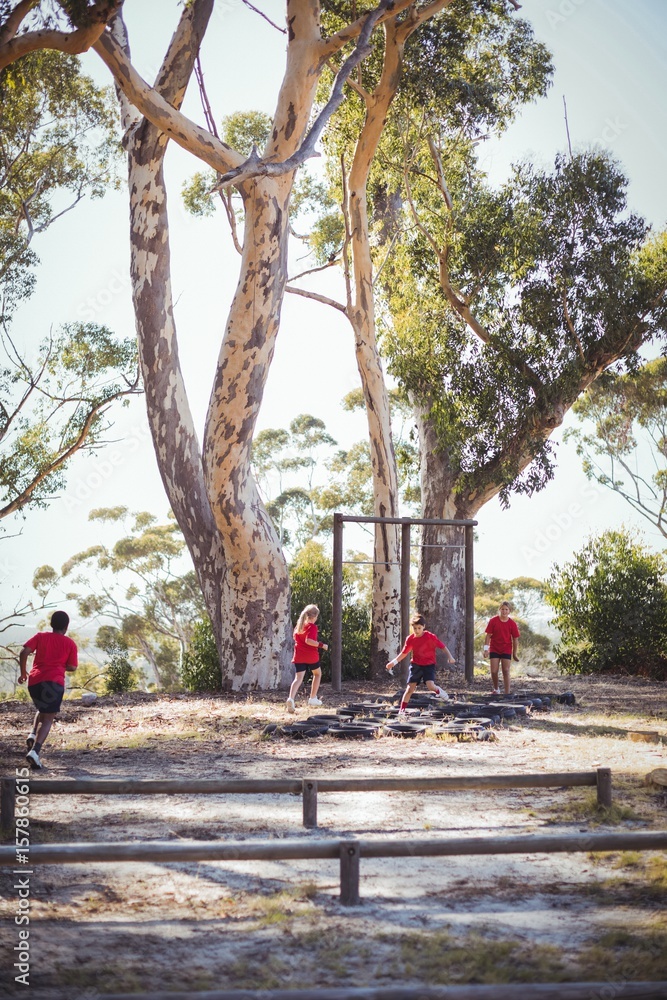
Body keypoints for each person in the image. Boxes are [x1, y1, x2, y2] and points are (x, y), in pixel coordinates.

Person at [17, 610, 78, 770]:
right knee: (49, 718)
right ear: (66, 627)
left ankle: (32, 734)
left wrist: (23, 673)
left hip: (35, 681)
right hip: (54, 682)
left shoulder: (40, 636)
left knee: (43, 708)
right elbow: (72, 666)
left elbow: (24, 652)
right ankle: (35, 752)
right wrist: (60, 663)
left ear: (51, 625)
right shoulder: (70, 643)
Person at [386, 614, 454, 718]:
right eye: (414, 628)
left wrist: (450, 657)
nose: (417, 630)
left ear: (423, 627)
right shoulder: (410, 639)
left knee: (430, 686)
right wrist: (393, 662)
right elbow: (404, 653)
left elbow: (443, 647)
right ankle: (402, 710)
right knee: (409, 689)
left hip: (429, 665)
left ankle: (439, 691)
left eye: (419, 628)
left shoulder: (430, 637)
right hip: (416, 665)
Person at [286, 604, 328, 713]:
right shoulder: (312, 627)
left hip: (299, 656)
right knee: (317, 674)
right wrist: (321, 645)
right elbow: (309, 641)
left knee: (298, 678)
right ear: (314, 617)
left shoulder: (299, 626)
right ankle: (313, 698)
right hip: (311, 656)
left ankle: (291, 698)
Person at [484, 600, 520, 696]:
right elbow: (488, 636)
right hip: (495, 648)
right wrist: (486, 649)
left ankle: (507, 693)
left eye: (506, 609)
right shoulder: (493, 621)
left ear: (509, 611)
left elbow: (515, 639)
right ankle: (496, 689)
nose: (504, 611)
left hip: (506, 648)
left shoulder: (512, 624)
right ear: (499, 610)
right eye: (502, 609)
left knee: (506, 670)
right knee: (494, 671)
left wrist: (515, 654)